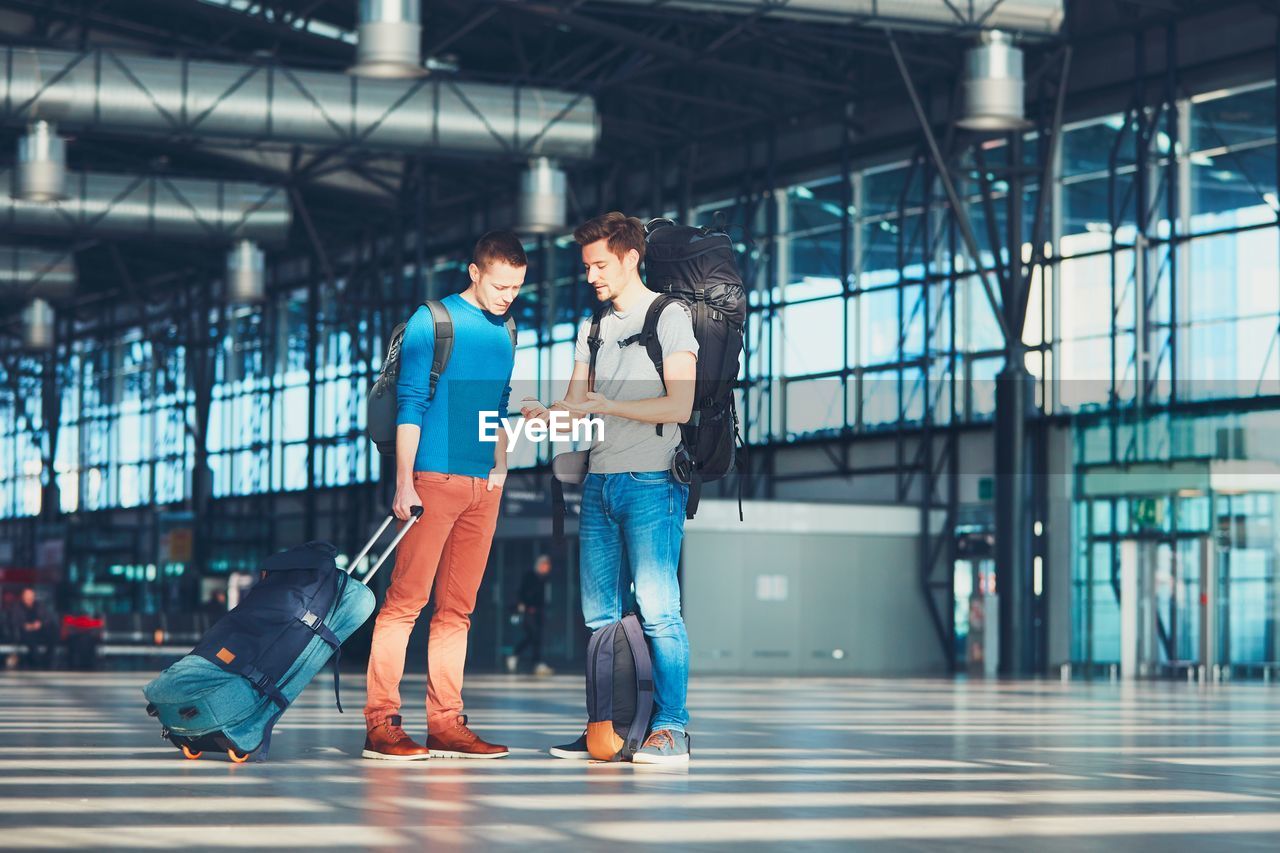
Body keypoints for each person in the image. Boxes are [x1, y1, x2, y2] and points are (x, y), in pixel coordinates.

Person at [522, 212, 698, 765]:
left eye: (600, 264)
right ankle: (608, 726)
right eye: (587, 267)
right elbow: (575, 413)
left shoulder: (671, 316)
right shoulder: (593, 328)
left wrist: (607, 406)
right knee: (598, 614)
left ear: (630, 258)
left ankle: (672, 728)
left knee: (657, 609)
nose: (592, 275)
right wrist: (544, 416)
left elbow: (681, 405)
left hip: (651, 480)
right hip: (597, 485)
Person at [362, 230, 525, 761]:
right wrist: (404, 481)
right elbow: (410, 402)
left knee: (458, 611)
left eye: (517, 287)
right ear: (475, 272)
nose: (508, 296)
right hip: (431, 479)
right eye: (500, 285)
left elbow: (495, 407)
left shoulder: (509, 331)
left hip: (483, 488)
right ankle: (382, 722)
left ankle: (446, 723)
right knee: (404, 604)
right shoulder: (433, 321)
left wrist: (499, 470)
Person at [507, 554, 553, 676]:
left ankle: (535, 662)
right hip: (528, 611)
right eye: (545, 565)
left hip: (539, 612)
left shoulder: (545, 579)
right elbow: (523, 593)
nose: (547, 567)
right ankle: (517, 655)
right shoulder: (530, 576)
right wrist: (526, 606)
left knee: (536, 636)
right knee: (533, 635)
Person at [7, 587, 58, 670]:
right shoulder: (17, 607)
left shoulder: (39, 605)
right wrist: (25, 626)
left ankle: (47, 662)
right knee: (31, 641)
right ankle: (37, 664)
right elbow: (13, 621)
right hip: (25, 632)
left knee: (52, 635)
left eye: (31, 596)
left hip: (39, 630)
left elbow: (48, 618)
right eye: (27, 596)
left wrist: (40, 624)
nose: (29, 598)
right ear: (23, 596)